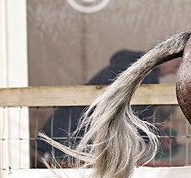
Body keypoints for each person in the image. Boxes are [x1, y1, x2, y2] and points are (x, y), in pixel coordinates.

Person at [34, 50, 180, 166]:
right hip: (74, 143)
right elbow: (135, 123)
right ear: (168, 57)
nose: (176, 71)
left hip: (60, 134)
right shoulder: (144, 78)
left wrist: (154, 130)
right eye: (179, 64)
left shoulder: (128, 66)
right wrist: (157, 134)